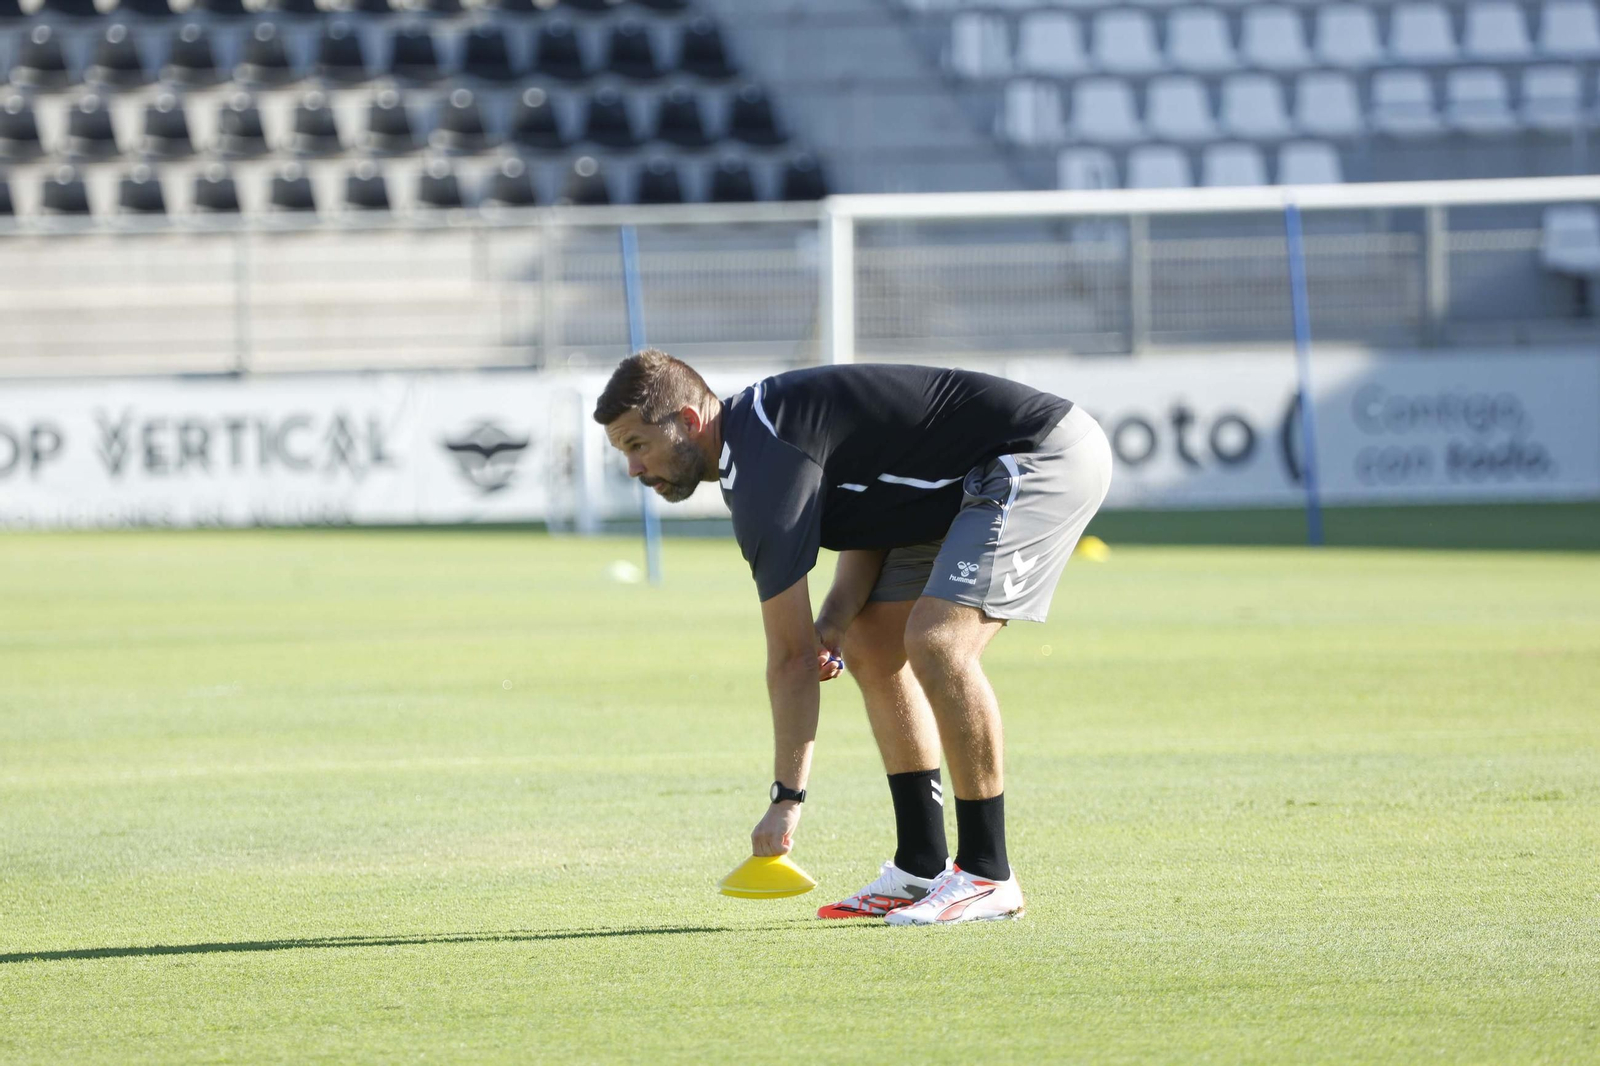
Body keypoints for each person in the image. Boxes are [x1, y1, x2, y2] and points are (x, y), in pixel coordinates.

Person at [593, 350, 1112, 925]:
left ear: (689, 422)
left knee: (939, 643)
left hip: (1037, 455)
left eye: (637, 445)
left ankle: (988, 873)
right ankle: (921, 867)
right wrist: (836, 621)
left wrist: (786, 801)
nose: (635, 470)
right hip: (952, 489)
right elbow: (876, 509)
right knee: (870, 644)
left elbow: (790, 659)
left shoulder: (764, 465)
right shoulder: (755, 444)